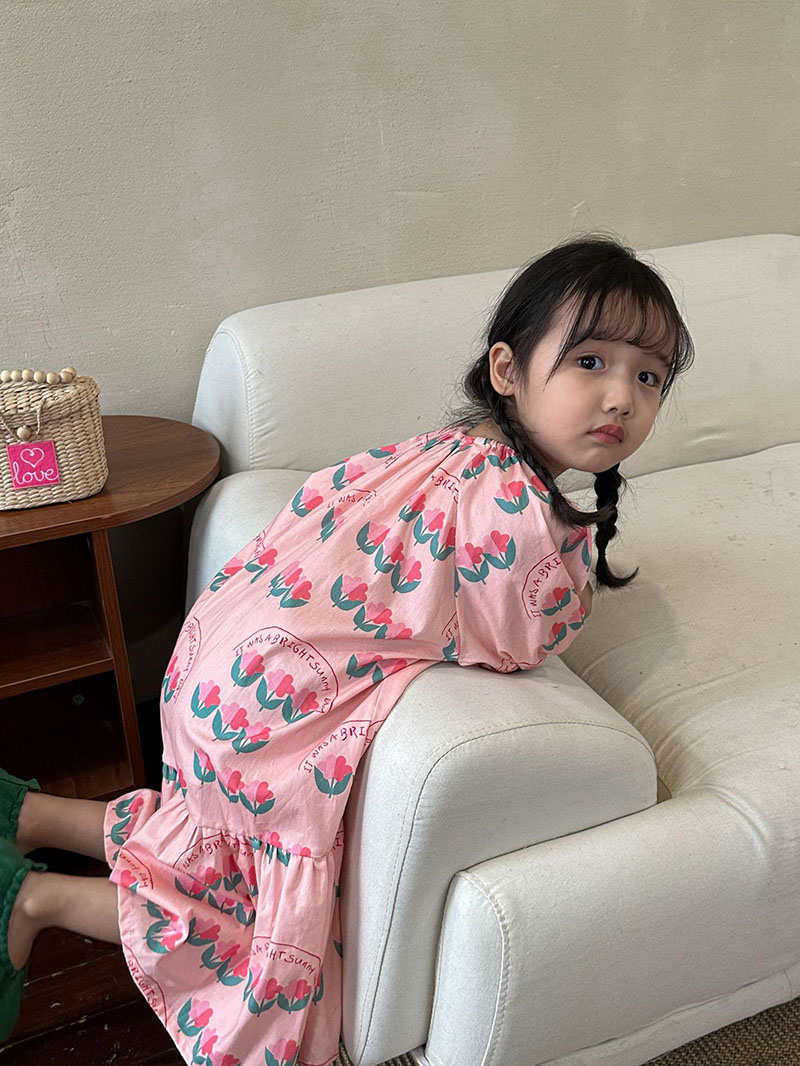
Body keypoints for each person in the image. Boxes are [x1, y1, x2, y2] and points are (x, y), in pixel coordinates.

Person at [0, 234, 694, 1065]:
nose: (621, 397)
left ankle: (27, 815)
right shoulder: (516, 515)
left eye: (649, 377)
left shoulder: (451, 451)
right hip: (267, 720)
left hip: (213, 673)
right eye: (591, 362)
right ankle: (37, 901)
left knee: (206, 838)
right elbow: (521, 641)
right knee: (239, 918)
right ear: (507, 370)